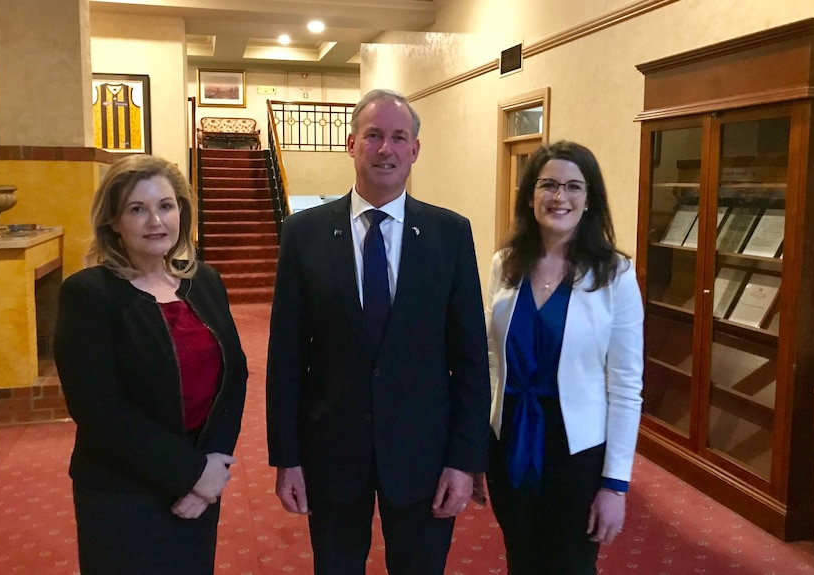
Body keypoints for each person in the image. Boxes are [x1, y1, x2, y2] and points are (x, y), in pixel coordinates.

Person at [265, 88, 490, 575]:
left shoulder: (450, 234)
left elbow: (471, 355)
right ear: (350, 144)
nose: (385, 149)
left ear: (414, 149)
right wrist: (287, 457)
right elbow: (285, 355)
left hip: (424, 456)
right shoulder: (302, 234)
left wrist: (465, 458)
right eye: (373, 136)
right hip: (330, 452)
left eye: (398, 137)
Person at [53, 155, 248, 575]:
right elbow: (98, 411)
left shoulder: (205, 282)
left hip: (201, 489)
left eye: (165, 205)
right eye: (136, 209)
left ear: (182, 211)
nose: (155, 220)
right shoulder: (88, 295)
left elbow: (235, 379)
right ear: (113, 222)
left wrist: (213, 466)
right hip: (123, 494)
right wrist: (191, 473)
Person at [481, 140, 643, 574]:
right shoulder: (506, 264)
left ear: (589, 200)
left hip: (577, 451)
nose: (559, 197)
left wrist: (615, 485)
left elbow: (626, 387)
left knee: (570, 565)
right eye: (548, 185)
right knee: (521, 558)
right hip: (510, 441)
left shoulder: (616, 275)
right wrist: (479, 448)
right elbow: (493, 362)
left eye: (574, 186)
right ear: (530, 194)